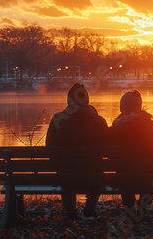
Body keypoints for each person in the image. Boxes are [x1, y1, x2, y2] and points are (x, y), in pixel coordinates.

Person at [46, 83, 108, 219]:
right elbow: (107, 150)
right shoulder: (100, 122)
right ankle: (90, 209)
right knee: (95, 171)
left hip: (66, 176)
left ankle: (70, 212)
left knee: (66, 172)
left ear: (69, 101)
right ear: (87, 100)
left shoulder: (57, 120)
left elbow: (49, 150)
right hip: (93, 176)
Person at [108, 90, 153, 222]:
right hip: (147, 177)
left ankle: (129, 210)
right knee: (152, 179)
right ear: (139, 106)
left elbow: (109, 156)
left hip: (122, 178)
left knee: (124, 176)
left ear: (122, 107)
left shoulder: (113, 128)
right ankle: (142, 210)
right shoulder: (150, 125)